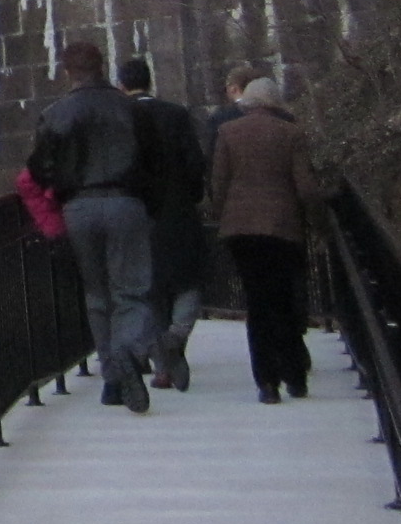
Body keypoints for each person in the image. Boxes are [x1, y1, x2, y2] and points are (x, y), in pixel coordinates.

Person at [28, 40, 156, 413]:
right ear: (103, 66)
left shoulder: (56, 113)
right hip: (126, 200)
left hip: (79, 205)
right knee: (131, 290)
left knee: (96, 293)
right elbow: (154, 162)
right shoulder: (130, 109)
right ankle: (129, 352)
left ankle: (112, 377)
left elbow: (38, 168)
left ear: (68, 71)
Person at [207, 76, 318, 403]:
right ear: (275, 103)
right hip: (283, 227)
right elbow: (306, 187)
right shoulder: (291, 134)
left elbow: (219, 183)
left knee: (257, 302)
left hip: (241, 231)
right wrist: (317, 221)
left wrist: (221, 216)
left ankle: (266, 383)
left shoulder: (228, 133)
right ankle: (295, 375)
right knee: (284, 299)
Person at [119, 57, 208, 390]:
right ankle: (175, 340)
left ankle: (161, 365)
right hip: (177, 209)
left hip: (137, 214)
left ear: (122, 85)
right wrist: (191, 195)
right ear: (150, 81)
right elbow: (195, 162)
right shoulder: (176, 114)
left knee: (149, 289)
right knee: (187, 281)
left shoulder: (121, 118)